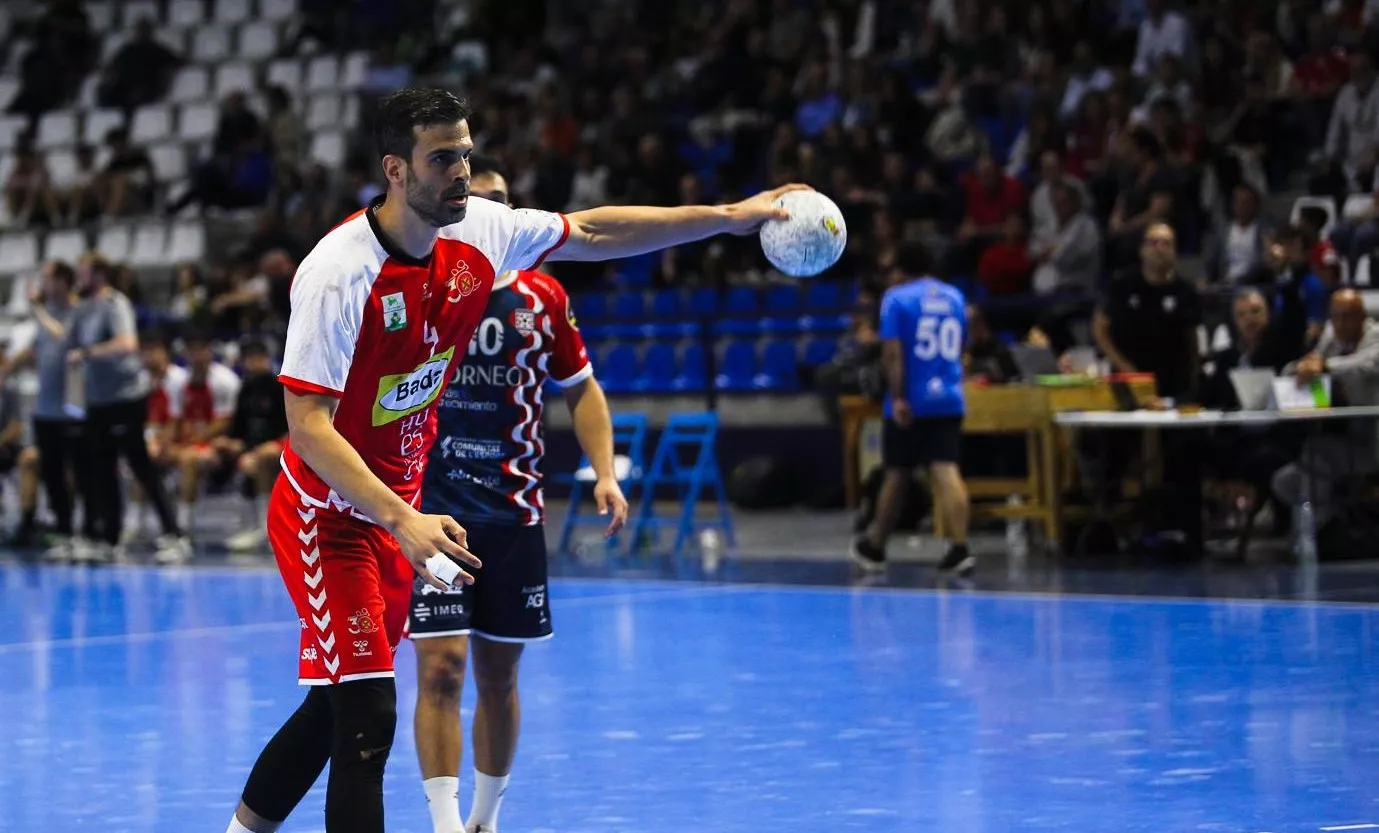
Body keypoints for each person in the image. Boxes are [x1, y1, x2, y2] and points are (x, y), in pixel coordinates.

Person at [222, 87, 806, 833]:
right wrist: (402, 518)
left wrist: (734, 216)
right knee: (368, 711)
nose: (462, 170)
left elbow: (594, 230)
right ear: (396, 170)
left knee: (332, 704)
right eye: (443, 158)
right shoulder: (339, 272)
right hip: (329, 518)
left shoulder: (483, 234)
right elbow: (306, 427)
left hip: (400, 518)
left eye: (466, 152)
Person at [410, 161, 629, 833]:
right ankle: (445, 823)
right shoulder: (422, 287)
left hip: (514, 517)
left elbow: (582, 387)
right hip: (437, 516)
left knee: (499, 675)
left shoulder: (544, 298)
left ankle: (484, 817)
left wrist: (605, 472)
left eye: (503, 203)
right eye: (480, 202)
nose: (491, 215)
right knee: (441, 668)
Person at [851, 242, 973, 577]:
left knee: (897, 472)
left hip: (913, 399)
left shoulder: (897, 298)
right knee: (946, 470)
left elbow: (892, 353)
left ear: (900, 271)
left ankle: (876, 545)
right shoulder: (955, 297)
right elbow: (963, 346)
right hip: (948, 395)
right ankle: (960, 547)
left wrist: (899, 396)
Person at [66, 254, 185, 562]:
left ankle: (175, 535)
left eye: (83, 273)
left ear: (99, 275)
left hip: (125, 398)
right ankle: (110, 539)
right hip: (98, 400)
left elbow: (127, 344)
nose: (78, 278)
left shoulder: (114, 304)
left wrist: (88, 352)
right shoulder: (84, 309)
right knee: (102, 470)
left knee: (141, 466)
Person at [1271, 289, 1379, 529]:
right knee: (1284, 481)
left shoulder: (1376, 337)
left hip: (1372, 440)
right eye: (1335, 316)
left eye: (1347, 316)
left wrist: (1324, 365)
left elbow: (1363, 365)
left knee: (1316, 454)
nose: (1340, 324)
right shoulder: (1332, 335)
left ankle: (1318, 531)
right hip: (1341, 435)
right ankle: (1330, 522)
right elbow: (1312, 361)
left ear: (1362, 316)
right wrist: (1298, 368)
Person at [0, 261, 82, 557]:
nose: (43, 285)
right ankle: (59, 528)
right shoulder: (45, 318)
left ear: (63, 282)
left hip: (71, 407)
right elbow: (34, 349)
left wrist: (37, 310)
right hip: (45, 409)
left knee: (71, 470)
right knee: (52, 470)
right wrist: (6, 369)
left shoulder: (77, 312)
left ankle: (75, 528)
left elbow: (64, 338)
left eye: (47, 279)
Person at [160, 332, 241, 557]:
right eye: (191, 351)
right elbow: (174, 420)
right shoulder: (178, 382)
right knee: (147, 457)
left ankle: (182, 529)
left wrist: (192, 443)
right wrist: (163, 444)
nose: (196, 356)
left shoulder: (225, 381)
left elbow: (224, 423)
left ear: (209, 352)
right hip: (187, 443)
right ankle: (135, 524)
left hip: (216, 445)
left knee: (189, 460)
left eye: (201, 350)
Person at [221, 340, 289, 553]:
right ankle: (249, 523)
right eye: (250, 359)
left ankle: (265, 527)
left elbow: (293, 427)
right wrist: (232, 443)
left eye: (258, 358)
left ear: (267, 360)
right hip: (251, 448)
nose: (254, 363)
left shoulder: (280, 386)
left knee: (260, 460)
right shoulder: (246, 389)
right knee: (231, 454)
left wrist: (274, 445)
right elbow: (238, 427)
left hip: (283, 445)